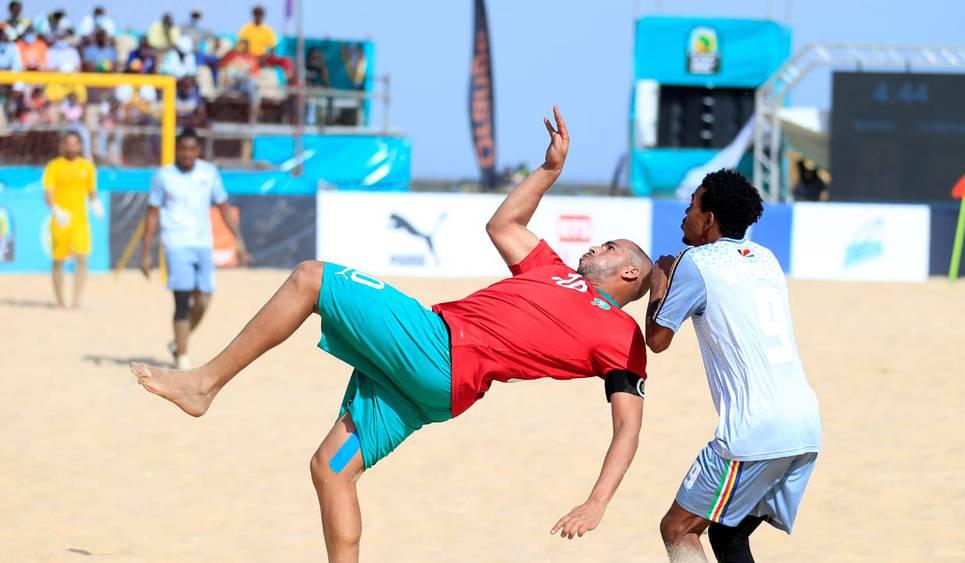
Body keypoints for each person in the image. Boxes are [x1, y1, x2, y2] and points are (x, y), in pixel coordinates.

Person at [130, 107, 653, 562]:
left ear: (629, 274)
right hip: (437, 390)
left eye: (608, 247)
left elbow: (627, 427)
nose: (595, 248)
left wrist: (598, 500)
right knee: (331, 470)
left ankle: (203, 385)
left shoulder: (619, 334)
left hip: (439, 348)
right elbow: (503, 225)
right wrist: (548, 170)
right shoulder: (553, 270)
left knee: (311, 277)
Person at [645, 169, 821, 562]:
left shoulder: (696, 262)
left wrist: (659, 284)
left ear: (709, 220)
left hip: (753, 431)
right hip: (805, 425)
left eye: (691, 208)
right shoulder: (767, 258)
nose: (683, 216)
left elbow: (657, 341)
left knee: (677, 528)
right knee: (726, 533)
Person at [139, 129, 249, 369]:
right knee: (181, 299)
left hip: (202, 243)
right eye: (183, 149)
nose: (187, 153)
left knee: (204, 300)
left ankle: (180, 341)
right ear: (177, 150)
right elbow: (152, 214)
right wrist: (146, 252)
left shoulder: (208, 173)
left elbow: (223, 206)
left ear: (198, 150)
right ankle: (182, 356)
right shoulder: (164, 176)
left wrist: (238, 239)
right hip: (176, 243)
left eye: (192, 149)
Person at [42, 131, 103, 308]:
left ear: (80, 146)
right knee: (58, 260)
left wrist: (96, 203)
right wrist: (56, 209)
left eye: (74, 143)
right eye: (68, 143)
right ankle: (60, 301)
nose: (71, 147)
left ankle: (77, 301)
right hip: (60, 221)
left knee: (82, 258)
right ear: (62, 146)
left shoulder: (87, 167)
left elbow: (92, 190)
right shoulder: (53, 166)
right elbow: (48, 193)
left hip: (80, 221)